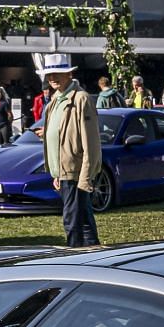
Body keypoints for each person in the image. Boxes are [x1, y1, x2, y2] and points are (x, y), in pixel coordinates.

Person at [40, 54, 102, 248]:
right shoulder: (54, 101)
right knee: (81, 218)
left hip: (75, 171)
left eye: (57, 73)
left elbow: (91, 142)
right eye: (49, 75)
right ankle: (93, 256)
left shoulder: (81, 99)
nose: (52, 78)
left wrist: (85, 176)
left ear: (69, 74)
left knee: (72, 220)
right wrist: (56, 172)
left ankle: (74, 258)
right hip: (64, 172)